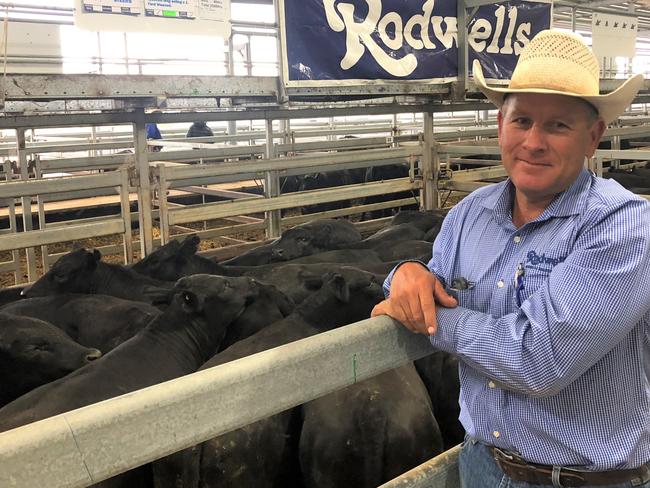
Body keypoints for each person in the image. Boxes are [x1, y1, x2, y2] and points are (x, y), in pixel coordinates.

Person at [372, 29, 650, 488]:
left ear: (593, 137)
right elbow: (424, 287)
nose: (534, 142)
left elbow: (539, 361)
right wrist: (405, 274)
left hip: (588, 480)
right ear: (500, 125)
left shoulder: (624, 227)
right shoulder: (467, 215)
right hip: (482, 465)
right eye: (522, 121)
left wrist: (433, 322)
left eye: (558, 125)